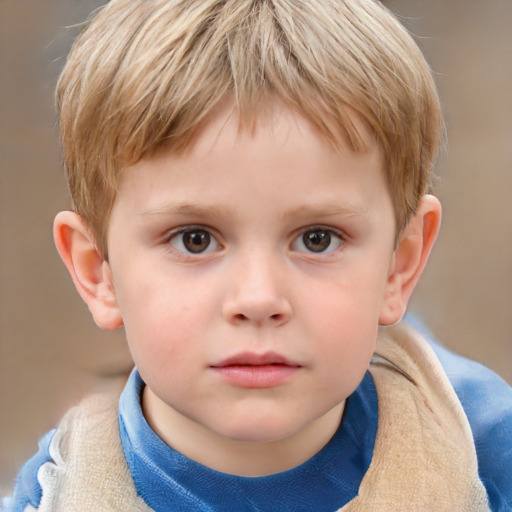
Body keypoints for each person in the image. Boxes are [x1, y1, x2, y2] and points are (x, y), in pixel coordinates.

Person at [5, 0, 512, 510]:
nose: (258, 298)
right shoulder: (58, 495)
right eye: (194, 239)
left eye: (317, 238)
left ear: (398, 266)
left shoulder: (481, 452)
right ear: (99, 273)